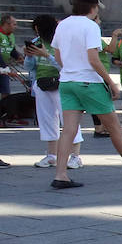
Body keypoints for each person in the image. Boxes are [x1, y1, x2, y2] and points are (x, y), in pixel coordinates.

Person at [49, 0, 122, 190]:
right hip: (89, 82)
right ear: (93, 7)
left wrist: (70, 69)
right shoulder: (90, 26)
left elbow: (57, 55)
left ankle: (61, 174)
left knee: (69, 130)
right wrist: (109, 81)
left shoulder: (63, 24)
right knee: (114, 127)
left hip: (67, 82)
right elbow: (93, 59)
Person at [27, 14, 86, 169]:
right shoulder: (36, 42)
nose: (36, 32)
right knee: (46, 120)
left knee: (69, 120)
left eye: (37, 29)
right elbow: (30, 67)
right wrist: (29, 56)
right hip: (41, 83)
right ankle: (51, 155)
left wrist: (47, 55)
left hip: (61, 84)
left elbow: (64, 65)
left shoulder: (60, 42)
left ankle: (75, 156)